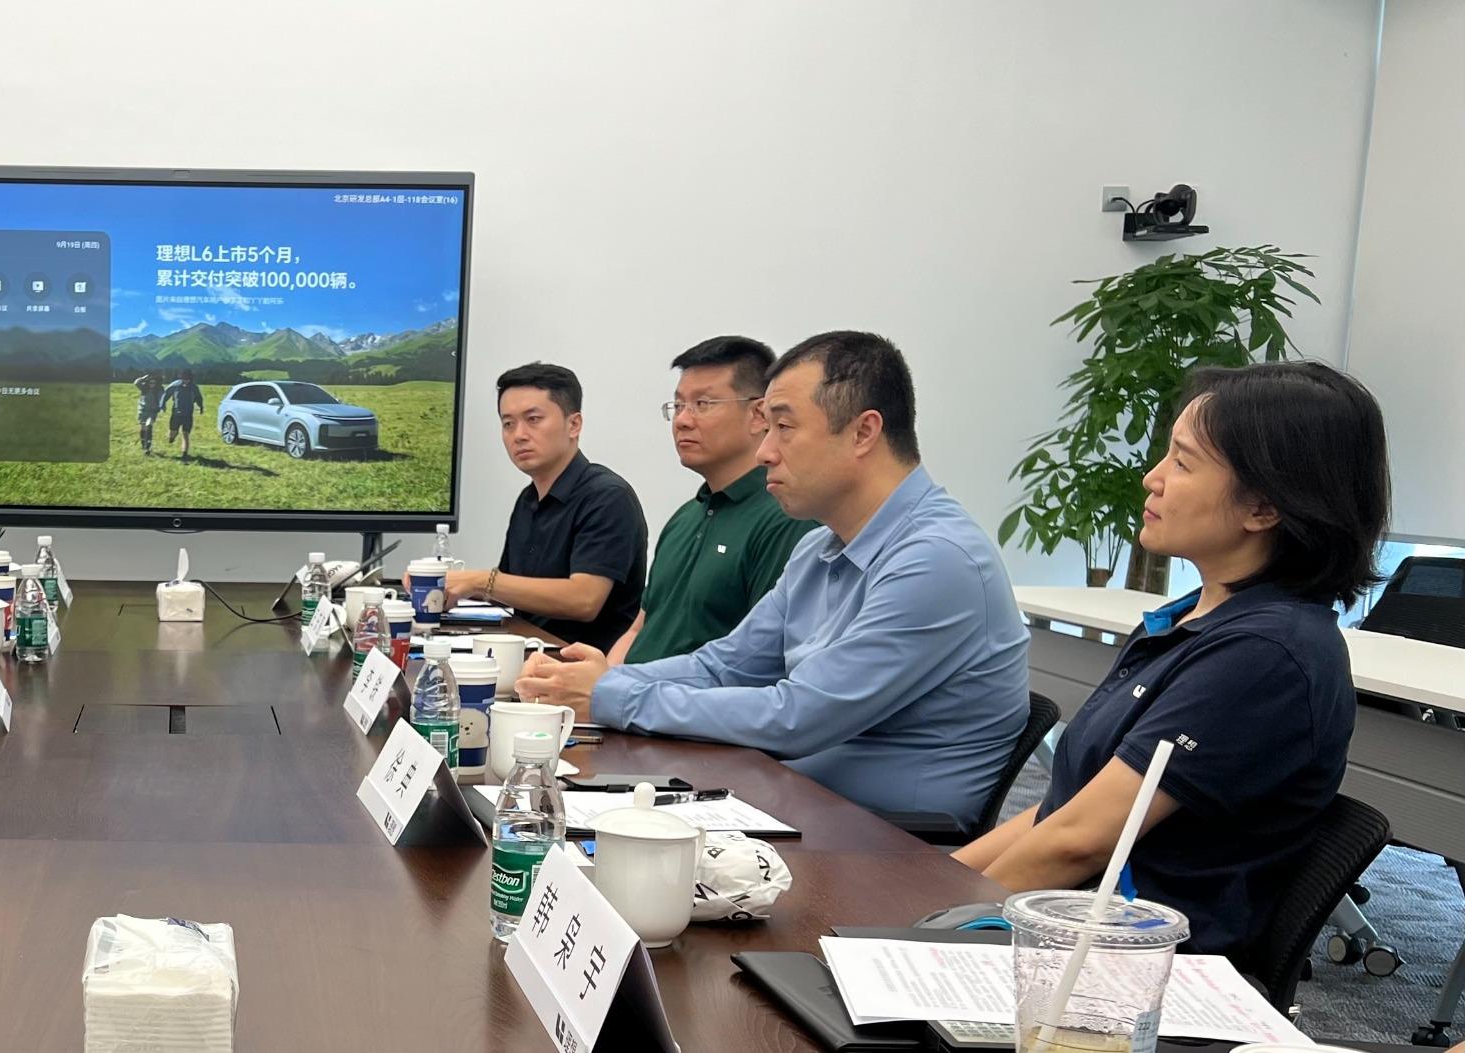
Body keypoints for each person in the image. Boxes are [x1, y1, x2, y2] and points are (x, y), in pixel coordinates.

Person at [955, 362, 1389, 957]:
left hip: (1127, 970)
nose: (1152, 479)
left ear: (1263, 508)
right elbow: (1061, 816)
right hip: (1066, 929)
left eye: (1182, 463)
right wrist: (935, 886)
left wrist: (917, 921)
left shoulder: (1264, 655)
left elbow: (1079, 843)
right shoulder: (1188, 620)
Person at [516, 332, 1027, 827]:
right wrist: (594, 684)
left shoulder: (937, 560)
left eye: (784, 428)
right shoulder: (819, 547)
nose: (764, 452)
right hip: (789, 798)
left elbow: (799, 716)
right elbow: (724, 666)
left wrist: (613, 697)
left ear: (863, 433)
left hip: (891, 844)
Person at [609, 336, 817, 665]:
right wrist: (601, 685)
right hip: (625, 703)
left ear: (759, 414)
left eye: (702, 404)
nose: (682, 420)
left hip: (682, 709)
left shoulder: (785, 517)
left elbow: (760, 663)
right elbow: (640, 629)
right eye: (678, 405)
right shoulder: (685, 516)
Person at [443, 362, 649, 650]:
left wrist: (479, 581)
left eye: (534, 419)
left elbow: (584, 600)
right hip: (527, 653)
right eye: (508, 423)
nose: (519, 435)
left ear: (573, 424)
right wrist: (450, 583)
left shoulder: (607, 497)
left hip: (579, 668)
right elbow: (510, 588)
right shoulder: (528, 499)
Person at [162, 369, 204, 458]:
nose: (186, 380)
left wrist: (201, 407)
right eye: (184, 378)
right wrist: (163, 404)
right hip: (176, 413)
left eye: (188, 379)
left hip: (188, 414)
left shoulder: (194, 387)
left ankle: (185, 454)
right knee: (173, 432)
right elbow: (166, 394)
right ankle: (172, 437)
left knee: (185, 434)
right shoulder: (175, 385)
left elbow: (199, 398)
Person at [132, 372, 164, 455]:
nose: (152, 384)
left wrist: (162, 407)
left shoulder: (159, 390)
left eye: (153, 383)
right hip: (142, 410)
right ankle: (143, 444)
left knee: (149, 426)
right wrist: (143, 378)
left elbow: (162, 400)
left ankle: (148, 447)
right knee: (143, 428)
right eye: (150, 382)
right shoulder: (144, 388)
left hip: (152, 412)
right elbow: (136, 382)